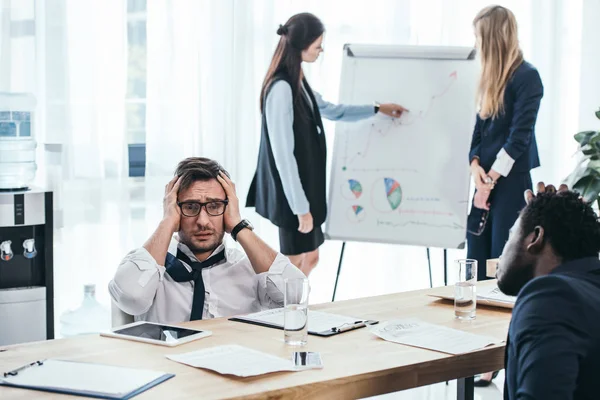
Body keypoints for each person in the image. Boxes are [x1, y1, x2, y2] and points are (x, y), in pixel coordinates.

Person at [246, 13, 408, 276]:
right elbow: (283, 157)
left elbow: (333, 110)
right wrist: (301, 210)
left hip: (303, 192)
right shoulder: (282, 88)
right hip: (291, 198)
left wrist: (378, 108)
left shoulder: (297, 80)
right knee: (293, 265)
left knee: (310, 259)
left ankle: (295, 311)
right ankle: (283, 313)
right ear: (302, 45)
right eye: (318, 46)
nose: (321, 51)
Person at [109, 157, 305, 324]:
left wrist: (238, 224)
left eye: (214, 206)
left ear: (228, 209)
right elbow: (131, 298)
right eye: (191, 207)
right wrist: (167, 222)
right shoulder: (146, 264)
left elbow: (295, 297)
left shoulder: (250, 268)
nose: (202, 221)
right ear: (175, 210)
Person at [466, 5, 544, 386]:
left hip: (510, 184)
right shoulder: (488, 78)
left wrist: (491, 178)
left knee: (504, 268)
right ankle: (478, 350)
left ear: (493, 37)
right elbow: (477, 136)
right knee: (477, 263)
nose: (476, 45)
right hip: (486, 184)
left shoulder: (527, 77)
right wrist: (476, 169)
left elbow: (520, 137)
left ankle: (499, 352)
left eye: (480, 37)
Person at [496, 182, 600, 399]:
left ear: (535, 238)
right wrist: (560, 214)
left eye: (510, 235)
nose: (501, 252)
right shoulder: (587, 295)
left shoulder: (550, 297)